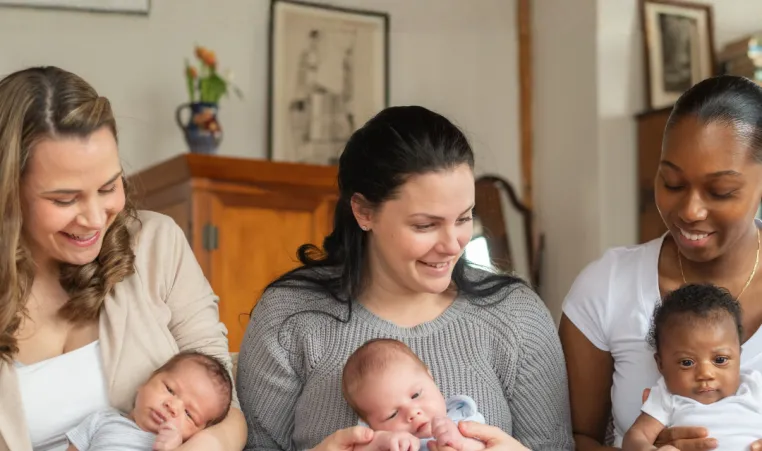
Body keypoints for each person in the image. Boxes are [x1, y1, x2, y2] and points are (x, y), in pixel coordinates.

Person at [236, 105, 574, 451]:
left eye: (464, 218)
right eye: (425, 225)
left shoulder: (516, 315)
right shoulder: (289, 315)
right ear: (364, 212)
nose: (452, 244)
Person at [0, 66, 247, 451]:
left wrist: (206, 446)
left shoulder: (156, 246)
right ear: (8, 194)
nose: (95, 218)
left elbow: (225, 404)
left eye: (108, 186)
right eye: (65, 199)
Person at [559, 74, 762, 451]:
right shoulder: (606, 287)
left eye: (720, 191)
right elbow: (567, 439)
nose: (690, 210)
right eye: (671, 183)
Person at [622, 284, 762, 451]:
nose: (705, 374)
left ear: (739, 355)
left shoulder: (754, 386)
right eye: (687, 363)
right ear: (661, 364)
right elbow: (636, 437)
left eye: (720, 359)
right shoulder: (666, 397)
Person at [66, 351, 233, 451]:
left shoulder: (177, 447)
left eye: (189, 414)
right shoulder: (102, 419)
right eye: (169, 389)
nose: (173, 406)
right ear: (146, 382)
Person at [341, 338, 486, 451]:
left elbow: (489, 447)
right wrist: (380, 442)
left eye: (416, 395)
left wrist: (461, 443)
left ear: (430, 378)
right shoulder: (382, 442)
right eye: (392, 414)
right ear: (369, 425)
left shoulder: (461, 417)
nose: (412, 413)